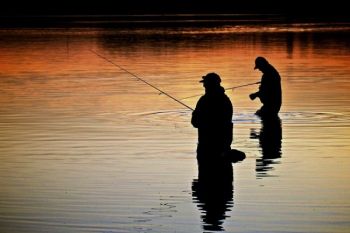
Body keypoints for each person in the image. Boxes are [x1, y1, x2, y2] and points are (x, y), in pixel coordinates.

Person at [191, 72, 233, 182]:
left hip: (206, 148)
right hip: (224, 145)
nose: (204, 86)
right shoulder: (226, 101)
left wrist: (195, 114)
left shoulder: (204, 101)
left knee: (207, 176)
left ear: (209, 85)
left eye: (205, 84)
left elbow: (195, 122)